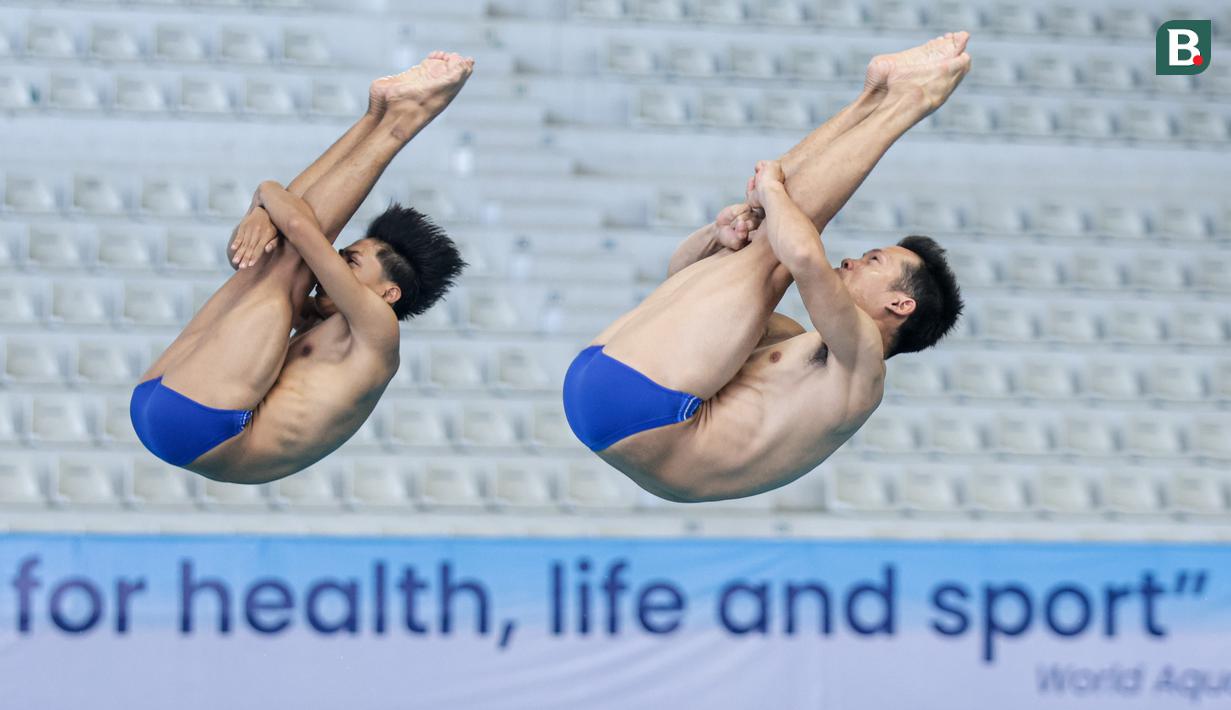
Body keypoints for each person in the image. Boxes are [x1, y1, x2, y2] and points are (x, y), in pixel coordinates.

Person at [562, 34, 971, 502]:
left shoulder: (864, 369)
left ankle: (909, 102)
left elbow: (800, 256)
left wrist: (772, 189)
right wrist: (718, 234)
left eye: (873, 261)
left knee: (771, 253)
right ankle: (873, 95)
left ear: (900, 303)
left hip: (649, 417)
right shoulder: (794, 339)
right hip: (621, 398)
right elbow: (680, 280)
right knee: (752, 240)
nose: (851, 260)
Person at [129, 52, 473, 483]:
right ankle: (378, 115)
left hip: (204, 430)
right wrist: (263, 213)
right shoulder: (321, 319)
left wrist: (264, 194)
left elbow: (298, 227)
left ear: (389, 293)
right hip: (164, 400)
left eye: (350, 262)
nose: (334, 266)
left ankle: (409, 118)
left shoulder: (379, 331)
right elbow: (266, 244)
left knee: (291, 261)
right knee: (273, 262)